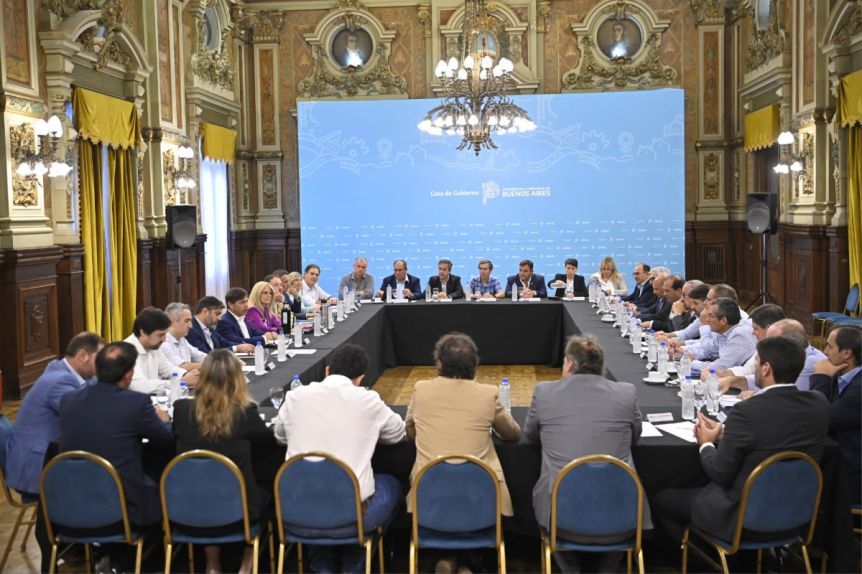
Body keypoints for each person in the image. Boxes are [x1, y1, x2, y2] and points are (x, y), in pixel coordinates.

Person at [651, 336, 830, 544]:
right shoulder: (819, 404)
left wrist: (706, 443)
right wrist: (727, 432)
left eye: (757, 362)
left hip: (742, 515)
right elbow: (778, 432)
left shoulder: (747, 411)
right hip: (797, 512)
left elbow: (720, 473)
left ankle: (698, 554)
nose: (754, 367)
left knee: (661, 498)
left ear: (766, 368)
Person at [274, 344, 405, 573]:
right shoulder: (368, 400)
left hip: (297, 511)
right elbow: (397, 433)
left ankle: (322, 566)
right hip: (352, 517)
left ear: (327, 371)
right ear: (360, 379)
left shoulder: (295, 396)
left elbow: (279, 435)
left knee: (317, 492)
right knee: (393, 486)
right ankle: (353, 564)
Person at [523, 335, 644, 538]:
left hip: (560, 515)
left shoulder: (544, 392)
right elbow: (635, 436)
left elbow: (530, 435)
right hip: (620, 511)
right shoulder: (626, 393)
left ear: (570, 365)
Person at [173, 349, 280, 574]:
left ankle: (212, 563)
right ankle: (246, 563)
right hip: (239, 510)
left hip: (190, 506)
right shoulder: (245, 413)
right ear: (237, 380)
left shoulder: (182, 411)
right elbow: (268, 444)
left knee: (205, 479)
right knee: (268, 477)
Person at [59, 342, 175, 530]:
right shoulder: (135, 403)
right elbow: (165, 440)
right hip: (123, 505)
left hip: (72, 501)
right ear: (128, 375)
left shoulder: (68, 400)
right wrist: (164, 420)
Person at [4, 332, 105, 498]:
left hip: (50, 457)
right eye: (99, 359)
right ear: (82, 356)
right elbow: (87, 417)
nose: (102, 365)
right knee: (106, 484)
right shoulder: (60, 381)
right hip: (38, 467)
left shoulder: (65, 371)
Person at [810, 325, 861, 503]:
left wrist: (820, 378)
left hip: (852, 473)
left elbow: (821, 420)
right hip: (836, 458)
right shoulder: (839, 374)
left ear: (846, 353)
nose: (825, 352)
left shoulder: (859, 389)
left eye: (830, 346)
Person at [710, 303, 784, 392]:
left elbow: (774, 386)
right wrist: (726, 373)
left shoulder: (786, 352)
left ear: (769, 329)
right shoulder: (766, 346)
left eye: (756, 329)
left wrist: (755, 394)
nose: (753, 333)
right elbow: (747, 370)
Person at [123, 307, 197, 394]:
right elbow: (140, 386)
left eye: (165, 334)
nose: (164, 339)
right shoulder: (126, 351)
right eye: (160, 335)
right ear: (143, 332)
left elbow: (168, 368)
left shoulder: (153, 346)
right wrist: (180, 382)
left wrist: (187, 375)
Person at [688, 298, 757, 374]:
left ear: (723, 320)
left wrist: (692, 362)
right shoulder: (723, 331)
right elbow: (709, 350)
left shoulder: (739, 335)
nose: (707, 320)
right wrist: (685, 353)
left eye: (710, 316)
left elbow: (721, 367)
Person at [187, 296, 255, 354]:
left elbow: (224, 342)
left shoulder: (210, 328)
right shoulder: (190, 329)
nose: (219, 318)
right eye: (217, 314)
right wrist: (237, 348)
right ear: (205, 311)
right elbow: (205, 353)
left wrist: (243, 346)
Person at [162, 302, 207, 371]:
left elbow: (199, 356)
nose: (191, 326)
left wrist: (216, 360)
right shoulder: (163, 342)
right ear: (172, 321)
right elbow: (182, 367)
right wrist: (212, 364)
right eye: (187, 321)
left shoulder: (182, 339)